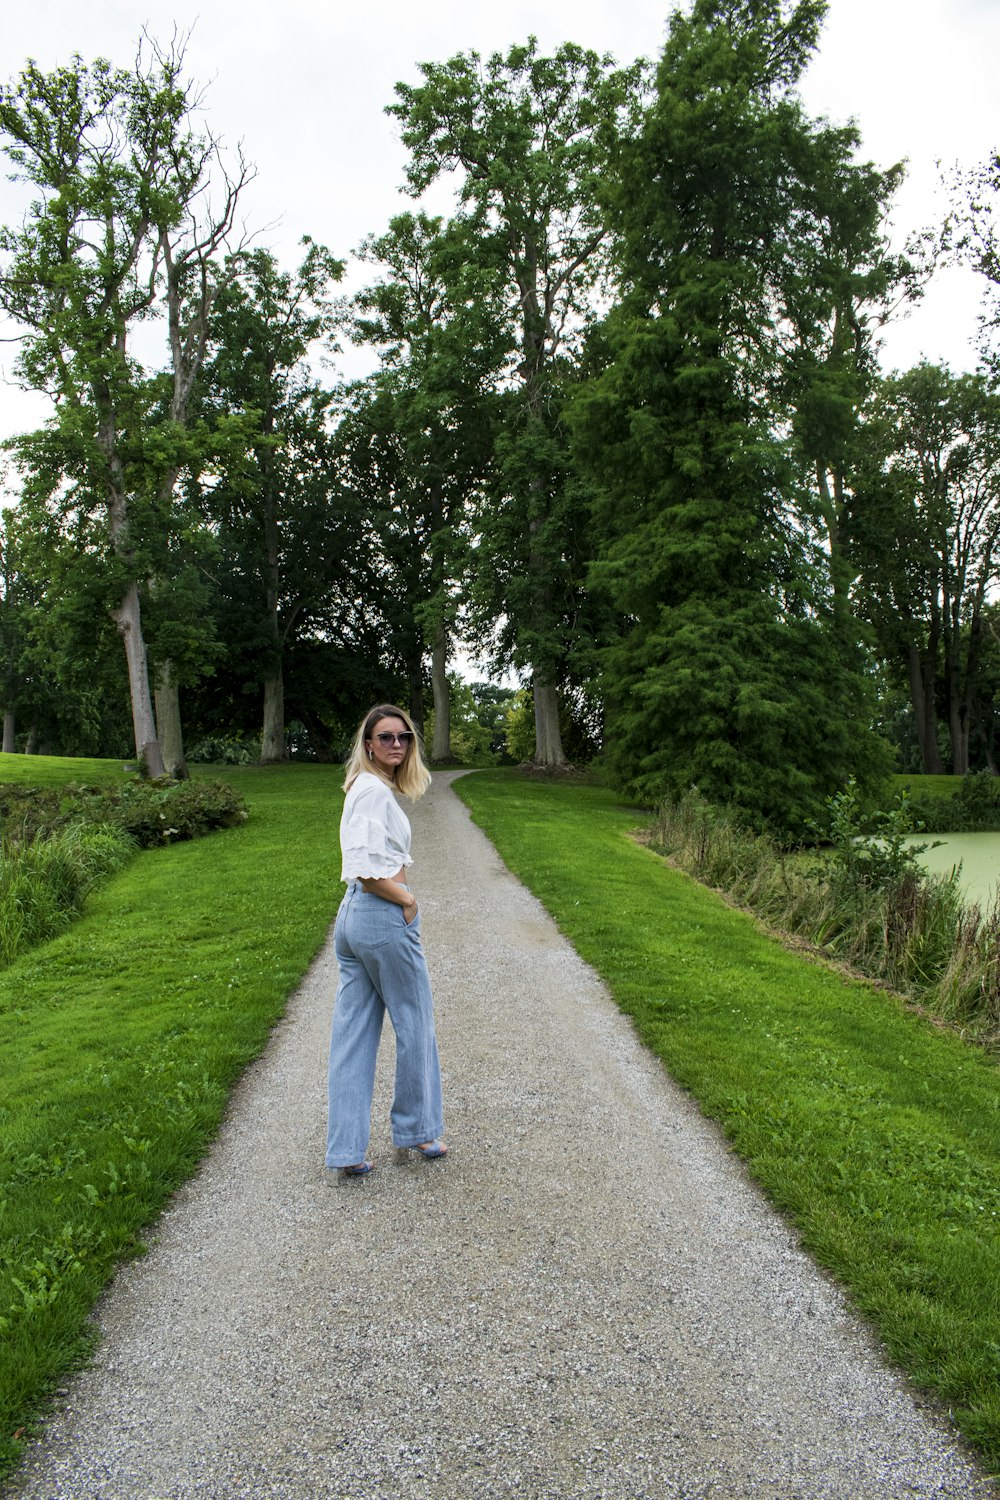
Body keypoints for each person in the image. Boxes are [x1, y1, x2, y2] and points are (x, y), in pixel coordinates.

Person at [325, 703, 447, 1178]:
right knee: (415, 1022)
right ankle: (417, 1129)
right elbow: (365, 867)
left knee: (352, 1034)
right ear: (369, 744)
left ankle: (346, 1149)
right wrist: (407, 899)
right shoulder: (373, 791)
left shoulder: (361, 786)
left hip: (352, 918)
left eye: (404, 737)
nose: (397, 744)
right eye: (387, 737)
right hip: (379, 913)